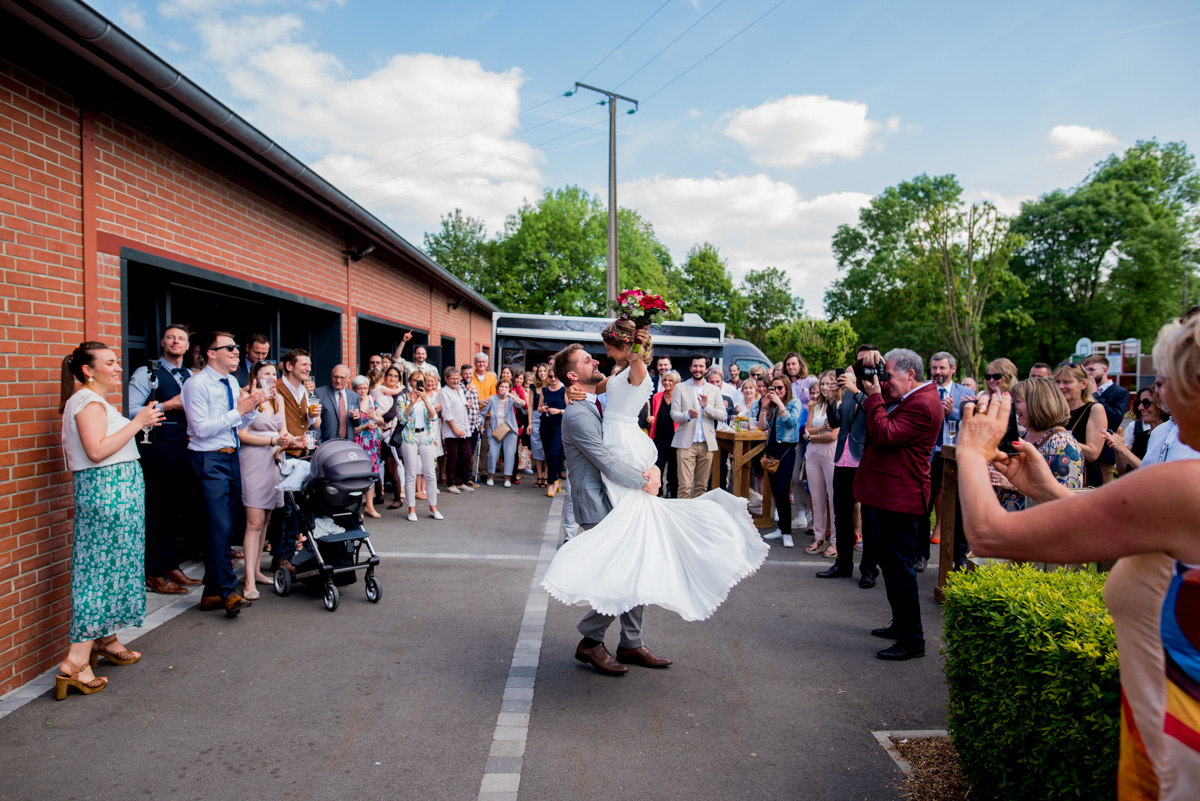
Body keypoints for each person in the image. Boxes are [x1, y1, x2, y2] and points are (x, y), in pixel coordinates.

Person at [954, 306, 1200, 800]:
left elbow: (987, 534)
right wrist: (1050, 490)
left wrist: (970, 450)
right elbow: (1131, 519)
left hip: (1179, 752)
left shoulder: (1183, 485)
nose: (1160, 396)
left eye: (1168, 380)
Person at [541, 323, 768, 674]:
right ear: (573, 375)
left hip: (620, 495)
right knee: (626, 574)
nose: (595, 360)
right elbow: (604, 459)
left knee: (639, 565)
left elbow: (623, 376)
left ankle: (630, 644)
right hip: (599, 501)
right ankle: (590, 639)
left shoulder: (591, 397)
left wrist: (637, 333)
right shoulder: (576, 414)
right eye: (587, 360)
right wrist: (645, 479)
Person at [57, 342, 165, 699]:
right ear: (88, 370)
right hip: (108, 493)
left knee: (115, 567)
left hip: (117, 492)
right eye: (110, 362)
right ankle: (75, 661)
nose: (118, 367)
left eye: (117, 362)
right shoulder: (86, 401)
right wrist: (138, 422)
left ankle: (105, 639)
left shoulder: (94, 401)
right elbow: (97, 450)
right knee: (97, 571)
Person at [853, 347, 942, 661]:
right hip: (887, 492)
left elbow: (885, 433)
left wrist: (876, 396)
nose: (884, 381)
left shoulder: (924, 404)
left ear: (910, 375)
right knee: (890, 566)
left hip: (900, 497)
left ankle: (912, 639)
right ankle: (901, 624)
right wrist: (867, 362)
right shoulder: (909, 395)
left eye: (888, 375)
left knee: (901, 569)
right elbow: (861, 378)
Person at [181, 332, 266, 617]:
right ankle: (228, 591)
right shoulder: (195, 384)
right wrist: (239, 410)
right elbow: (201, 429)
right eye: (228, 348)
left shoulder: (230, 381)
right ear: (210, 353)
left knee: (225, 526)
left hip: (231, 458)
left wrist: (251, 408)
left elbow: (235, 424)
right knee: (218, 525)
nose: (235, 351)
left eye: (234, 347)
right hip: (207, 459)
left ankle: (210, 593)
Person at [126, 323, 201, 595]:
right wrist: (167, 405)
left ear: (186, 345)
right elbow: (130, 409)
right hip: (156, 450)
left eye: (181, 338)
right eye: (171, 337)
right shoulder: (147, 373)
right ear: (162, 342)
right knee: (156, 512)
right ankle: (154, 572)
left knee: (173, 511)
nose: (176, 341)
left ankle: (171, 566)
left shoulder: (190, 375)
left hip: (182, 450)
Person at [815, 347, 880, 586]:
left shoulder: (876, 390)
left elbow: (876, 413)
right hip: (842, 460)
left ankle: (869, 569)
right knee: (841, 514)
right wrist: (832, 401)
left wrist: (855, 390)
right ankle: (843, 564)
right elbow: (837, 422)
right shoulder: (849, 393)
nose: (859, 367)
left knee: (868, 519)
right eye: (858, 363)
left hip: (863, 460)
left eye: (865, 364)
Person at [917, 351, 975, 572]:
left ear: (952, 369)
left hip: (956, 455)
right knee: (924, 504)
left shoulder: (966, 392)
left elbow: (972, 420)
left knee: (958, 507)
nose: (937, 372)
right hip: (929, 454)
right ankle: (920, 554)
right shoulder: (924, 390)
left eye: (942, 368)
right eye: (934, 368)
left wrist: (953, 413)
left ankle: (960, 556)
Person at [237, 360, 290, 599]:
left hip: (275, 460)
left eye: (273, 374)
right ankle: (248, 581)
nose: (270, 377)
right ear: (255, 376)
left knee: (266, 519)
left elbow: (283, 431)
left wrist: (293, 440)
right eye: (265, 373)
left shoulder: (277, 399)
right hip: (253, 459)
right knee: (254, 522)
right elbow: (241, 434)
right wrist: (272, 441)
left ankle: (257, 570)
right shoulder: (246, 397)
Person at [992, 377, 1083, 511]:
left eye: (1017, 401)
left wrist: (1014, 485)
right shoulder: (1022, 436)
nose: (1013, 406)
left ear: (1037, 404)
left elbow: (1068, 496)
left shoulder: (1061, 442)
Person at [670, 353, 726, 498]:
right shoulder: (680, 387)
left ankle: (698, 519)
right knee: (684, 487)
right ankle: (683, 520)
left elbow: (723, 415)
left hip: (706, 444)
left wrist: (707, 407)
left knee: (702, 487)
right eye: (695, 365)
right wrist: (687, 415)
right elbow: (674, 414)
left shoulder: (714, 390)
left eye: (701, 366)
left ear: (706, 369)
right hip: (685, 443)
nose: (698, 369)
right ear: (690, 367)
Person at [758, 375, 805, 549]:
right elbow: (763, 427)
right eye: (774, 388)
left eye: (780, 388)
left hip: (786, 450)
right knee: (776, 492)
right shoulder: (771, 405)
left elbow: (792, 423)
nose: (776, 391)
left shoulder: (794, 403)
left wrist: (780, 404)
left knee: (782, 490)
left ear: (786, 388)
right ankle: (781, 528)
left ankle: (787, 533)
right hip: (772, 450)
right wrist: (764, 408)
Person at [804, 371, 840, 556]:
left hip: (831, 452)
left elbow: (834, 435)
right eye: (822, 384)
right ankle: (819, 537)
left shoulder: (839, 405)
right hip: (813, 453)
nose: (824, 388)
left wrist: (812, 436)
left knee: (834, 498)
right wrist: (819, 430)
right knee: (817, 498)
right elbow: (807, 429)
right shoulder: (813, 405)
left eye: (828, 384)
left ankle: (836, 541)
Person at [399, 372, 442, 521]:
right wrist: (411, 403)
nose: (417, 383)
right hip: (409, 436)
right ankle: (411, 509)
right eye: (415, 381)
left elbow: (433, 417)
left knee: (430, 472)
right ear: (410, 382)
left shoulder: (428, 398)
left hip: (426, 436)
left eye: (420, 381)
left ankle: (433, 508)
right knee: (410, 473)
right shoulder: (403, 398)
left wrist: (424, 400)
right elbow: (402, 419)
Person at [1055, 362, 1105, 487]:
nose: (1061, 386)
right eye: (1057, 382)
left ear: (1083, 384)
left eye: (1067, 382)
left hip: (1083, 481)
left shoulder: (1094, 409)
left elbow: (1093, 454)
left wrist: (1060, 437)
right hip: (1058, 479)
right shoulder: (1055, 411)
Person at [1083, 354, 1131, 484]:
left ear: (1105, 370)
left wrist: (1095, 395)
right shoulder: (1083, 391)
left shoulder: (1120, 392)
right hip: (1084, 452)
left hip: (1104, 455)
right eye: (1085, 370)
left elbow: (1115, 418)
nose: (1088, 373)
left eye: (1092, 369)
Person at [1102, 384, 1170, 472]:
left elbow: (1151, 472)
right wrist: (1117, 450)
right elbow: (1124, 473)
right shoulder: (1142, 437)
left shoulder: (1170, 436)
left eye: (1146, 403)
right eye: (1139, 403)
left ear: (1161, 404)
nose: (1140, 407)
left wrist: (1123, 449)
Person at [350, 374, 384, 518]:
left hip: (373, 441)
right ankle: (357, 507)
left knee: (371, 473)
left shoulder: (372, 400)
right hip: (359, 441)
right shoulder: (352, 403)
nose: (363, 391)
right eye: (359, 388)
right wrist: (364, 426)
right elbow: (351, 429)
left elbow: (381, 421)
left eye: (365, 388)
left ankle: (369, 506)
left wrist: (374, 418)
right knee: (358, 474)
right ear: (354, 389)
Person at [482, 378, 525, 487]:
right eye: (502, 387)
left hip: (510, 430)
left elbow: (523, 404)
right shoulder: (492, 399)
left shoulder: (511, 399)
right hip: (495, 430)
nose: (503, 389)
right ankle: (490, 476)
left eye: (506, 387)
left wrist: (511, 395)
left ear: (509, 389)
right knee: (492, 453)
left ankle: (507, 478)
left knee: (509, 454)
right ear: (498, 388)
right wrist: (481, 426)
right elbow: (482, 414)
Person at [375, 365, 405, 509]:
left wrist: (376, 419)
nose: (392, 379)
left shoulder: (399, 394)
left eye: (396, 376)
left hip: (392, 434)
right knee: (375, 466)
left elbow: (393, 414)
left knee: (392, 468)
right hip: (378, 433)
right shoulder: (380, 390)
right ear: (385, 376)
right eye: (390, 375)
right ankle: (379, 496)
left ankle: (398, 498)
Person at [646, 369, 679, 498]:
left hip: (675, 438)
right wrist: (650, 419)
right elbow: (653, 414)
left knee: (674, 471)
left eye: (670, 380)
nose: (667, 382)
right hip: (659, 438)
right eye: (665, 380)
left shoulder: (679, 397)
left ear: (676, 382)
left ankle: (673, 496)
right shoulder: (657, 396)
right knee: (657, 468)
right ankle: (656, 494)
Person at [438, 367, 471, 493]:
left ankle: (460, 481)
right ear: (446, 378)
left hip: (465, 428)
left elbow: (461, 407)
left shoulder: (460, 390)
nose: (455, 381)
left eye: (457, 378)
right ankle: (451, 483)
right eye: (453, 378)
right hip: (452, 430)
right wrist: (455, 430)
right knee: (453, 457)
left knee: (466, 456)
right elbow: (447, 413)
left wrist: (468, 406)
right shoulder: (444, 392)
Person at [539, 367, 567, 497]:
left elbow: (570, 410)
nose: (553, 379)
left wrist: (559, 411)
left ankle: (551, 483)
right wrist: (543, 409)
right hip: (545, 424)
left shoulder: (564, 390)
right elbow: (538, 408)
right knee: (548, 454)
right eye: (550, 376)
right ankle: (555, 480)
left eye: (555, 376)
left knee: (553, 453)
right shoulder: (544, 390)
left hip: (558, 425)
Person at [314, 364, 353, 444]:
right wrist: (318, 444)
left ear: (348, 379)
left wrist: (357, 418)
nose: (338, 381)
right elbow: (314, 421)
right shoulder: (319, 393)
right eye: (335, 377)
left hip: (347, 443)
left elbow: (356, 423)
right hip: (326, 443)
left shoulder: (354, 396)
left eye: (342, 377)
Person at [530, 363, 549, 487]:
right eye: (540, 371)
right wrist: (529, 423)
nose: (542, 373)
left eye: (544, 371)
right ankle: (539, 476)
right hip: (535, 417)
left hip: (547, 416)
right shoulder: (533, 386)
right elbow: (530, 405)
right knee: (536, 446)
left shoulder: (551, 386)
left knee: (546, 446)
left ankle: (546, 475)